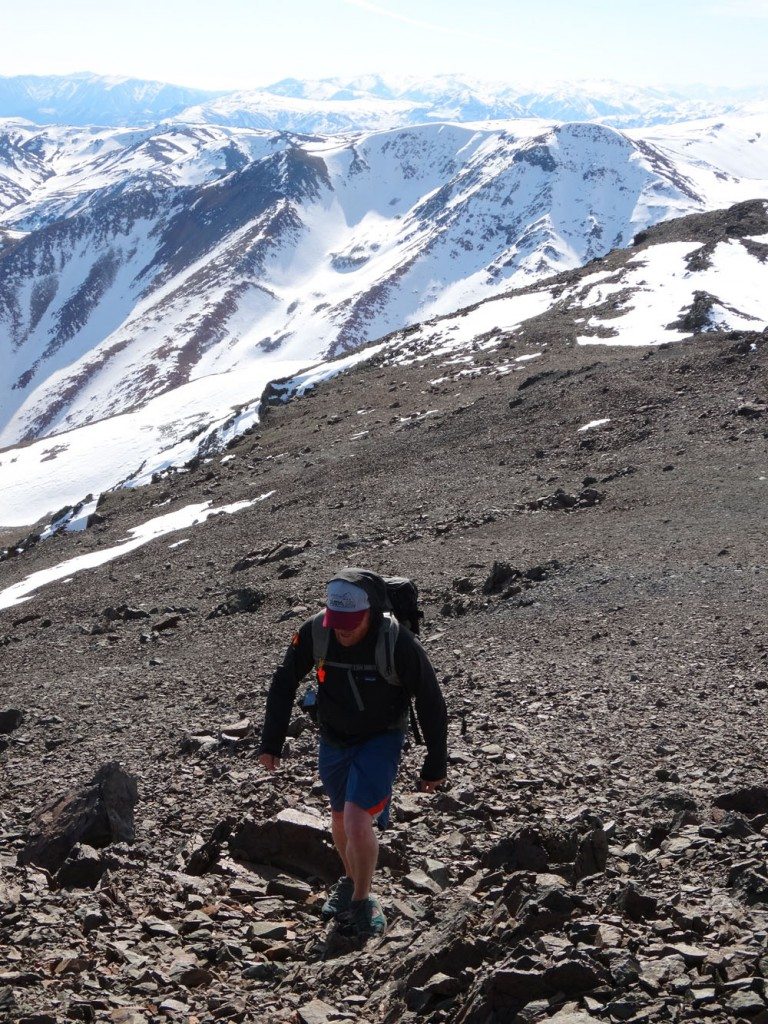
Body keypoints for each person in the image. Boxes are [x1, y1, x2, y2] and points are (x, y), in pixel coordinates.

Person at [258, 568, 448, 938]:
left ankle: (363, 902)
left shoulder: (397, 641)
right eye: (337, 621)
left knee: (358, 819)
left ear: (372, 612)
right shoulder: (316, 631)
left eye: (351, 622)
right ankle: (348, 881)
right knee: (340, 816)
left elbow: (430, 700)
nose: (342, 630)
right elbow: (283, 682)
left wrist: (435, 762)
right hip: (334, 736)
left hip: (381, 736)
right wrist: (271, 742)